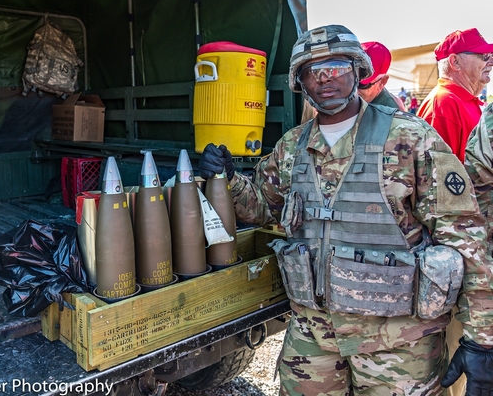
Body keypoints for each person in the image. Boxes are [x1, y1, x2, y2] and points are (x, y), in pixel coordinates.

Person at [198, 24, 493, 394]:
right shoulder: (292, 147)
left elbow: (464, 234)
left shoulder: (409, 138)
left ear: (357, 70)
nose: (325, 79)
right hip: (314, 336)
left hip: (398, 342)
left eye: (336, 67)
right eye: (312, 71)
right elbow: (262, 208)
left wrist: (482, 337)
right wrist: (228, 179)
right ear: (300, 82)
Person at [417, 28, 493, 162]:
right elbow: (440, 172)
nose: (491, 62)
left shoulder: (463, 101)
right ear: (455, 62)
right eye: (484, 55)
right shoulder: (443, 104)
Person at [357, 41, 406, 111]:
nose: (354, 90)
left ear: (382, 81)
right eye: (350, 80)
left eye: (361, 84)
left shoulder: (389, 113)